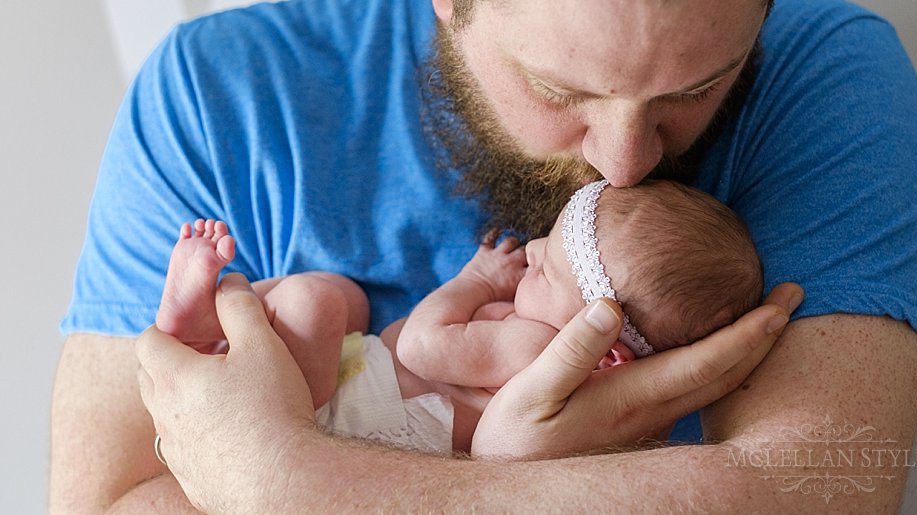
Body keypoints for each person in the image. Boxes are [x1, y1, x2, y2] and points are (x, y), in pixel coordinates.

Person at [50, 0, 917, 513]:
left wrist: (291, 481)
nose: (624, 165)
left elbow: (818, 493)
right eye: (560, 90)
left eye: (695, 88)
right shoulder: (220, 97)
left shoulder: (825, 75)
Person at [156, 179, 764, 454]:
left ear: (605, 345)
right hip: (355, 382)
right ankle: (213, 333)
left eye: (547, 270)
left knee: (317, 301)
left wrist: (474, 282)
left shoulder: (531, 350)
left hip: (330, 420)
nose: (528, 254)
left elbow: (422, 346)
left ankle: (196, 328)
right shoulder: (589, 386)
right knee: (350, 304)